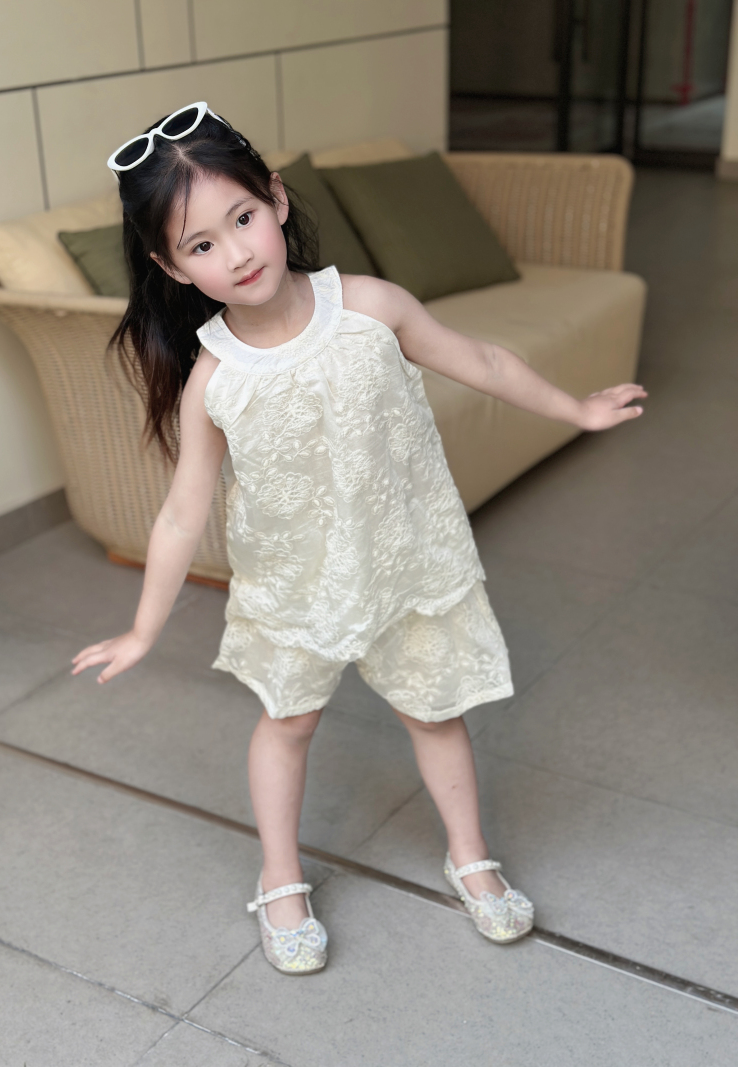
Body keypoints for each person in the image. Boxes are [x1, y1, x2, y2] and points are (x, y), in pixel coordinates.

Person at [72, 102, 647, 975]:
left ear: (277, 199)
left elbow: (483, 361)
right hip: (295, 585)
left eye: (243, 217)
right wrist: (144, 627)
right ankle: (279, 875)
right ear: (171, 266)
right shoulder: (214, 378)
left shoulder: (370, 307)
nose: (237, 252)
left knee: (436, 711)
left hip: (405, 561)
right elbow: (183, 511)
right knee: (287, 723)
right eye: (202, 244)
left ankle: (470, 854)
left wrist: (577, 408)